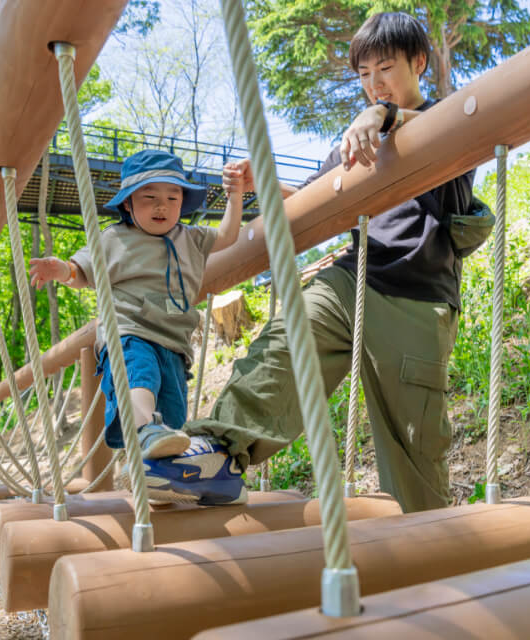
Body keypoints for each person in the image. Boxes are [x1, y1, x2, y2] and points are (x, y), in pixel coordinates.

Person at [144, 12, 488, 512]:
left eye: (386, 68)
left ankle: (426, 547)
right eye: (365, 75)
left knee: (414, 449)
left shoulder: (444, 116)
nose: (375, 84)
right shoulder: (354, 143)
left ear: (419, 62)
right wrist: (263, 185)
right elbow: (312, 197)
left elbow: (454, 126)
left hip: (416, 295)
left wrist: (383, 117)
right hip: (353, 277)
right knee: (285, 340)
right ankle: (215, 454)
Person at [29, 149, 242, 480]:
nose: (162, 206)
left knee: (173, 414)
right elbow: (82, 272)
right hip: (130, 332)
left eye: (173, 197)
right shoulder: (116, 238)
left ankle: (154, 469)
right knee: (140, 378)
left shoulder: (190, 238)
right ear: (128, 203)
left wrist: (236, 195)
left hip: (174, 344)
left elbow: (228, 235)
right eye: (150, 197)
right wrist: (60, 270)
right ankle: (144, 428)